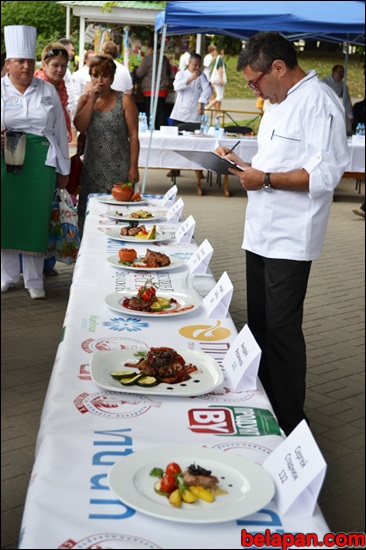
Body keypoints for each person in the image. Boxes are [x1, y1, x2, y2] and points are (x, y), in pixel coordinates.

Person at [214, 32, 350, 436]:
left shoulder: (319, 101)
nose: (254, 90)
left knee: (283, 332)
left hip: (291, 236)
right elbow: (271, 162)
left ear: (278, 67)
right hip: (259, 231)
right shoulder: (276, 104)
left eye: (256, 82)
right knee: (259, 324)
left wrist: (266, 178)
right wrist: (241, 163)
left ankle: (291, 421)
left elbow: (326, 174)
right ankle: (264, 405)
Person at [1, 25, 70, 299]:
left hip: (41, 163)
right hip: (6, 160)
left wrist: (64, 169)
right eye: (20, 61)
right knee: (7, 217)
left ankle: (34, 280)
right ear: (8, 64)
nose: (26, 67)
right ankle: (6, 276)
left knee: (35, 220)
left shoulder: (47, 90)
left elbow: (60, 132)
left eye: (29, 61)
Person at [74, 54, 139, 236]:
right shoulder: (85, 100)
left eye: (104, 76)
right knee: (88, 215)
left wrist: (134, 167)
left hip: (119, 168)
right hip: (92, 168)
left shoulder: (124, 100)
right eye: (95, 75)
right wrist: (92, 99)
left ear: (111, 78)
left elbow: (134, 136)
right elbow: (80, 126)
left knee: (118, 214)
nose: (99, 80)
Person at [34, 42, 73, 277]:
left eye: (64, 66)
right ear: (44, 64)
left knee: (51, 212)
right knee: (41, 212)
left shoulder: (60, 88)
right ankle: (35, 264)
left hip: (55, 153)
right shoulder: (40, 86)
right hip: (40, 157)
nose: (60, 70)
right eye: (55, 65)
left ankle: (45, 263)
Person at [135, 42, 172, 130]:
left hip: (149, 89)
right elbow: (169, 73)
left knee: (150, 113)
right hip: (162, 89)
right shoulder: (164, 59)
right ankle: (162, 131)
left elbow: (139, 73)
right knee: (161, 112)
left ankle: (150, 130)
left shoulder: (147, 59)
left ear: (150, 48)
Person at [170, 53, 212, 125]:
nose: (197, 68)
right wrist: (191, 78)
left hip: (195, 114)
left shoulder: (202, 75)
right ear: (189, 63)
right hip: (180, 113)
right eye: (195, 65)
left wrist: (200, 102)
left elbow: (208, 89)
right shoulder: (181, 74)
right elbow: (176, 87)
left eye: (199, 65)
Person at [322, 65, 354, 134]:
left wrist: (350, 115)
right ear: (334, 72)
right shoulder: (324, 82)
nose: (342, 74)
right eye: (340, 72)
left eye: (343, 72)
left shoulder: (342, 85)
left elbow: (346, 101)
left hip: (334, 110)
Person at [205, 48, 227, 116]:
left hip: (216, 80)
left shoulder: (217, 58)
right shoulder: (220, 58)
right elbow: (220, 69)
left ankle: (218, 112)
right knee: (219, 97)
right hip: (218, 80)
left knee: (220, 96)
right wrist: (220, 79)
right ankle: (207, 107)